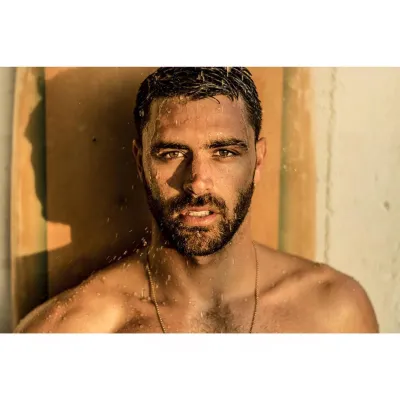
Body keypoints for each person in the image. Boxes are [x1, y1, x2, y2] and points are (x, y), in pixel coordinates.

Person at [15, 67, 379, 333]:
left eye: (224, 153)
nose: (197, 182)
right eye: (171, 153)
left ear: (258, 161)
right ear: (140, 163)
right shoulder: (72, 332)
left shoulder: (335, 313)